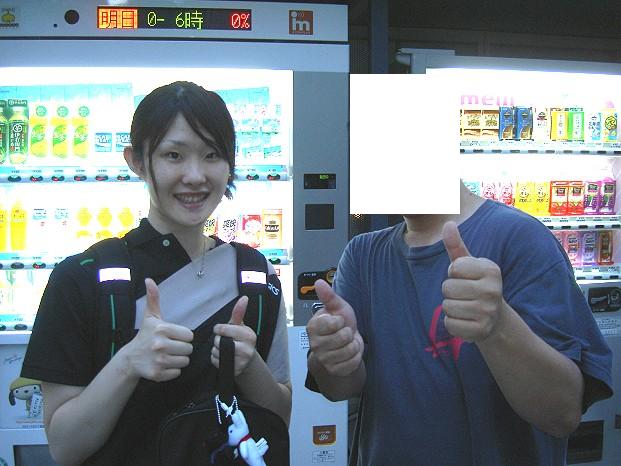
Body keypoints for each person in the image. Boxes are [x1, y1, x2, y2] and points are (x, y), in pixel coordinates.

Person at [21, 81, 291, 465]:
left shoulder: (257, 275)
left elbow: (279, 420)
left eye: (212, 154)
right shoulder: (78, 279)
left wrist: (251, 368)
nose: (195, 175)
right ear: (136, 161)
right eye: (173, 155)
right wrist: (129, 362)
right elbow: (64, 447)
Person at [306, 181, 613, 466]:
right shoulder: (362, 254)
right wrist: (333, 355)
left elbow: (563, 413)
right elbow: (340, 387)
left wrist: (499, 326)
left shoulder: (523, 239)